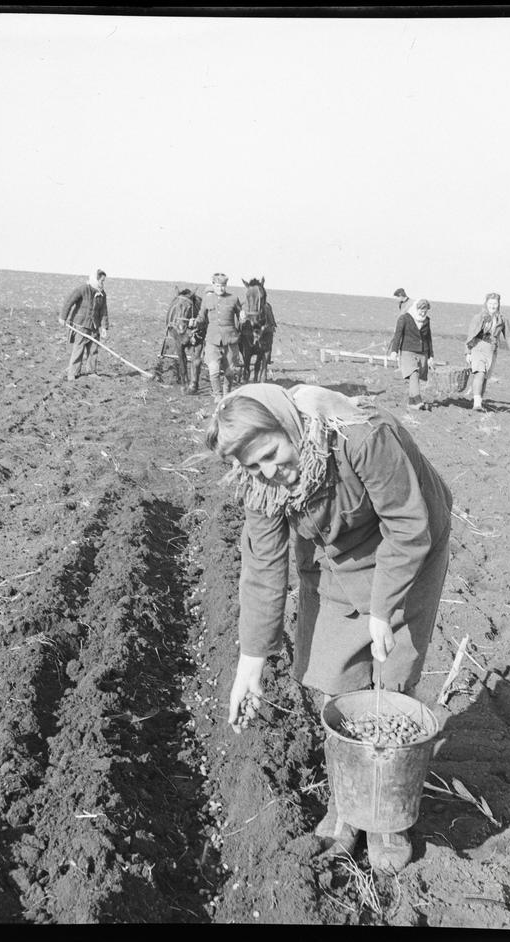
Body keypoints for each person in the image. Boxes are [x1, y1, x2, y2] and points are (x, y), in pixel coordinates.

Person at [205, 383, 452, 873]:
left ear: (288, 425)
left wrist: (383, 609)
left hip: (408, 547)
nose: (272, 473)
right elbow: (261, 569)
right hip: (336, 558)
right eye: (256, 466)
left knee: (391, 681)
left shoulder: (360, 438)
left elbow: (407, 525)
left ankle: (386, 815)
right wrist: (249, 663)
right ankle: (346, 804)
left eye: (274, 454)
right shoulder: (262, 486)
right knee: (334, 677)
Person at [464, 292, 510, 412]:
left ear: (498, 304)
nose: (493, 306)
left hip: (492, 350)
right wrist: (467, 352)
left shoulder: (502, 319)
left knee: (484, 377)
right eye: (490, 303)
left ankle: (479, 402)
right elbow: (471, 335)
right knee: (480, 373)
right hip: (478, 347)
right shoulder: (479, 317)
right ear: (486, 304)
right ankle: (476, 404)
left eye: (495, 303)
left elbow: (508, 336)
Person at [194, 273, 243, 402]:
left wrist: (243, 317)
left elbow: (240, 315)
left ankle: (227, 393)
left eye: (223, 286)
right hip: (212, 339)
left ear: (226, 286)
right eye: (217, 286)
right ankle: (217, 395)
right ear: (213, 285)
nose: (220, 288)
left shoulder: (233, 298)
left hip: (230, 339)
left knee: (229, 371)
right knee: (213, 369)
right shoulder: (207, 299)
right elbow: (201, 317)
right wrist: (195, 321)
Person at [59, 269, 109, 381]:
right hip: (81, 325)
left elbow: (104, 311)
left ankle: (91, 371)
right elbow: (69, 301)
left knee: (93, 350)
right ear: (96, 279)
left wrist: (104, 327)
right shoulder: (83, 289)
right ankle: (73, 373)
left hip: (94, 327)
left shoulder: (102, 294)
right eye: (101, 280)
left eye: (104, 281)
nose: (102, 283)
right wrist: (63, 317)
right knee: (78, 349)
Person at [388, 291, 435, 411]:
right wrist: (394, 351)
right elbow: (398, 335)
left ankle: (411, 402)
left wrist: (431, 356)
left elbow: (428, 338)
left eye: (425, 311)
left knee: (417, 376)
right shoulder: (404, 318)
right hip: (407, 351)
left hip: (422, 352)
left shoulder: (426, 320)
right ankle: (418, 400)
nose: (423, 313)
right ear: (416, 308)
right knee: (413, 373)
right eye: (421, 310)